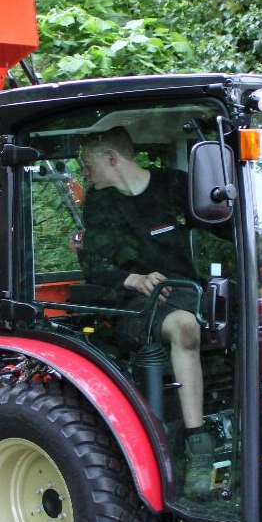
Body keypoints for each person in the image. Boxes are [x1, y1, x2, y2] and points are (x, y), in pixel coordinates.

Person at [77, 127, 214, 495]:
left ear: (112, 158)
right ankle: (198, 447)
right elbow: (94, 265)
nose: (85, 172)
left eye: (87, 163)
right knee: (184, 327)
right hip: (131, 306)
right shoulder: (100, 203)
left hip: (188, 291)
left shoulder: (174, 186)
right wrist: (134, 279)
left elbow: (223, 224)